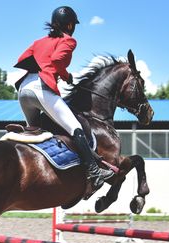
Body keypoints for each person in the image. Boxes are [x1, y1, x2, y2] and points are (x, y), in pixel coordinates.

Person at [14, 6, 113, 199]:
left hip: (24, 89)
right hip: (42, 89)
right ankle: (94, 171)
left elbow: (22, 59)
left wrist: (42, 63)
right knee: (75, 128)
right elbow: (58, 61)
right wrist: (65, 76)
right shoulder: (69, 40)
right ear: (69, 25)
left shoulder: (39, 41)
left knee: (35, 131)